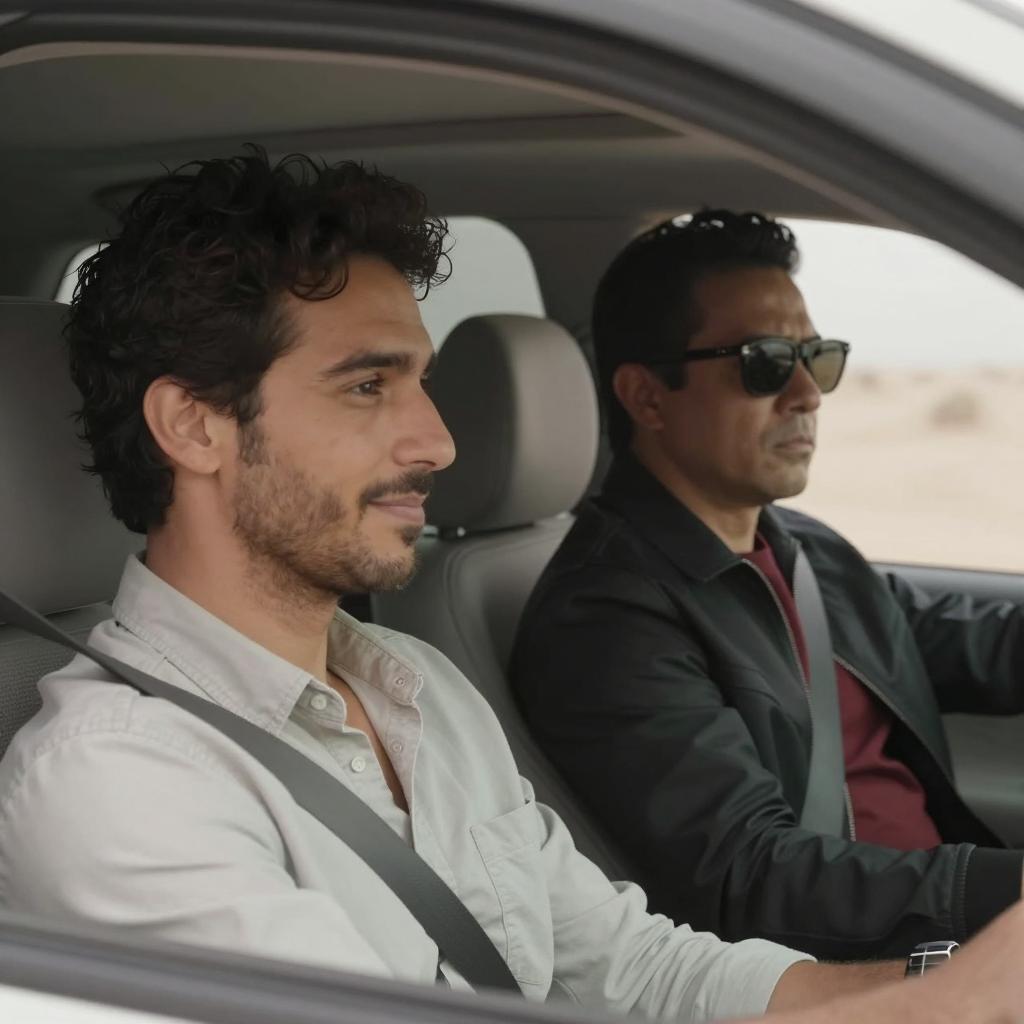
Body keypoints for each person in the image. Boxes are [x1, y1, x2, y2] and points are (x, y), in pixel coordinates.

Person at [0, 153, 1020, 1024]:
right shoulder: (117, 783)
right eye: (367, 385)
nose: (438, 440)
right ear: (194, 427)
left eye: (423, 382)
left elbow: (638, 969)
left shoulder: (417, 686)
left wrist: (942, 989)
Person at [512, 209, 1024, 964]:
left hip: (946, 942)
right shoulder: (606, 617)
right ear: (647, 397)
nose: (807, 393)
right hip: (860, 976)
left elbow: (979, 643)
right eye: (765, 362)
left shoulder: (806, 550)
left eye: (817, 358)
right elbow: (750, 876)